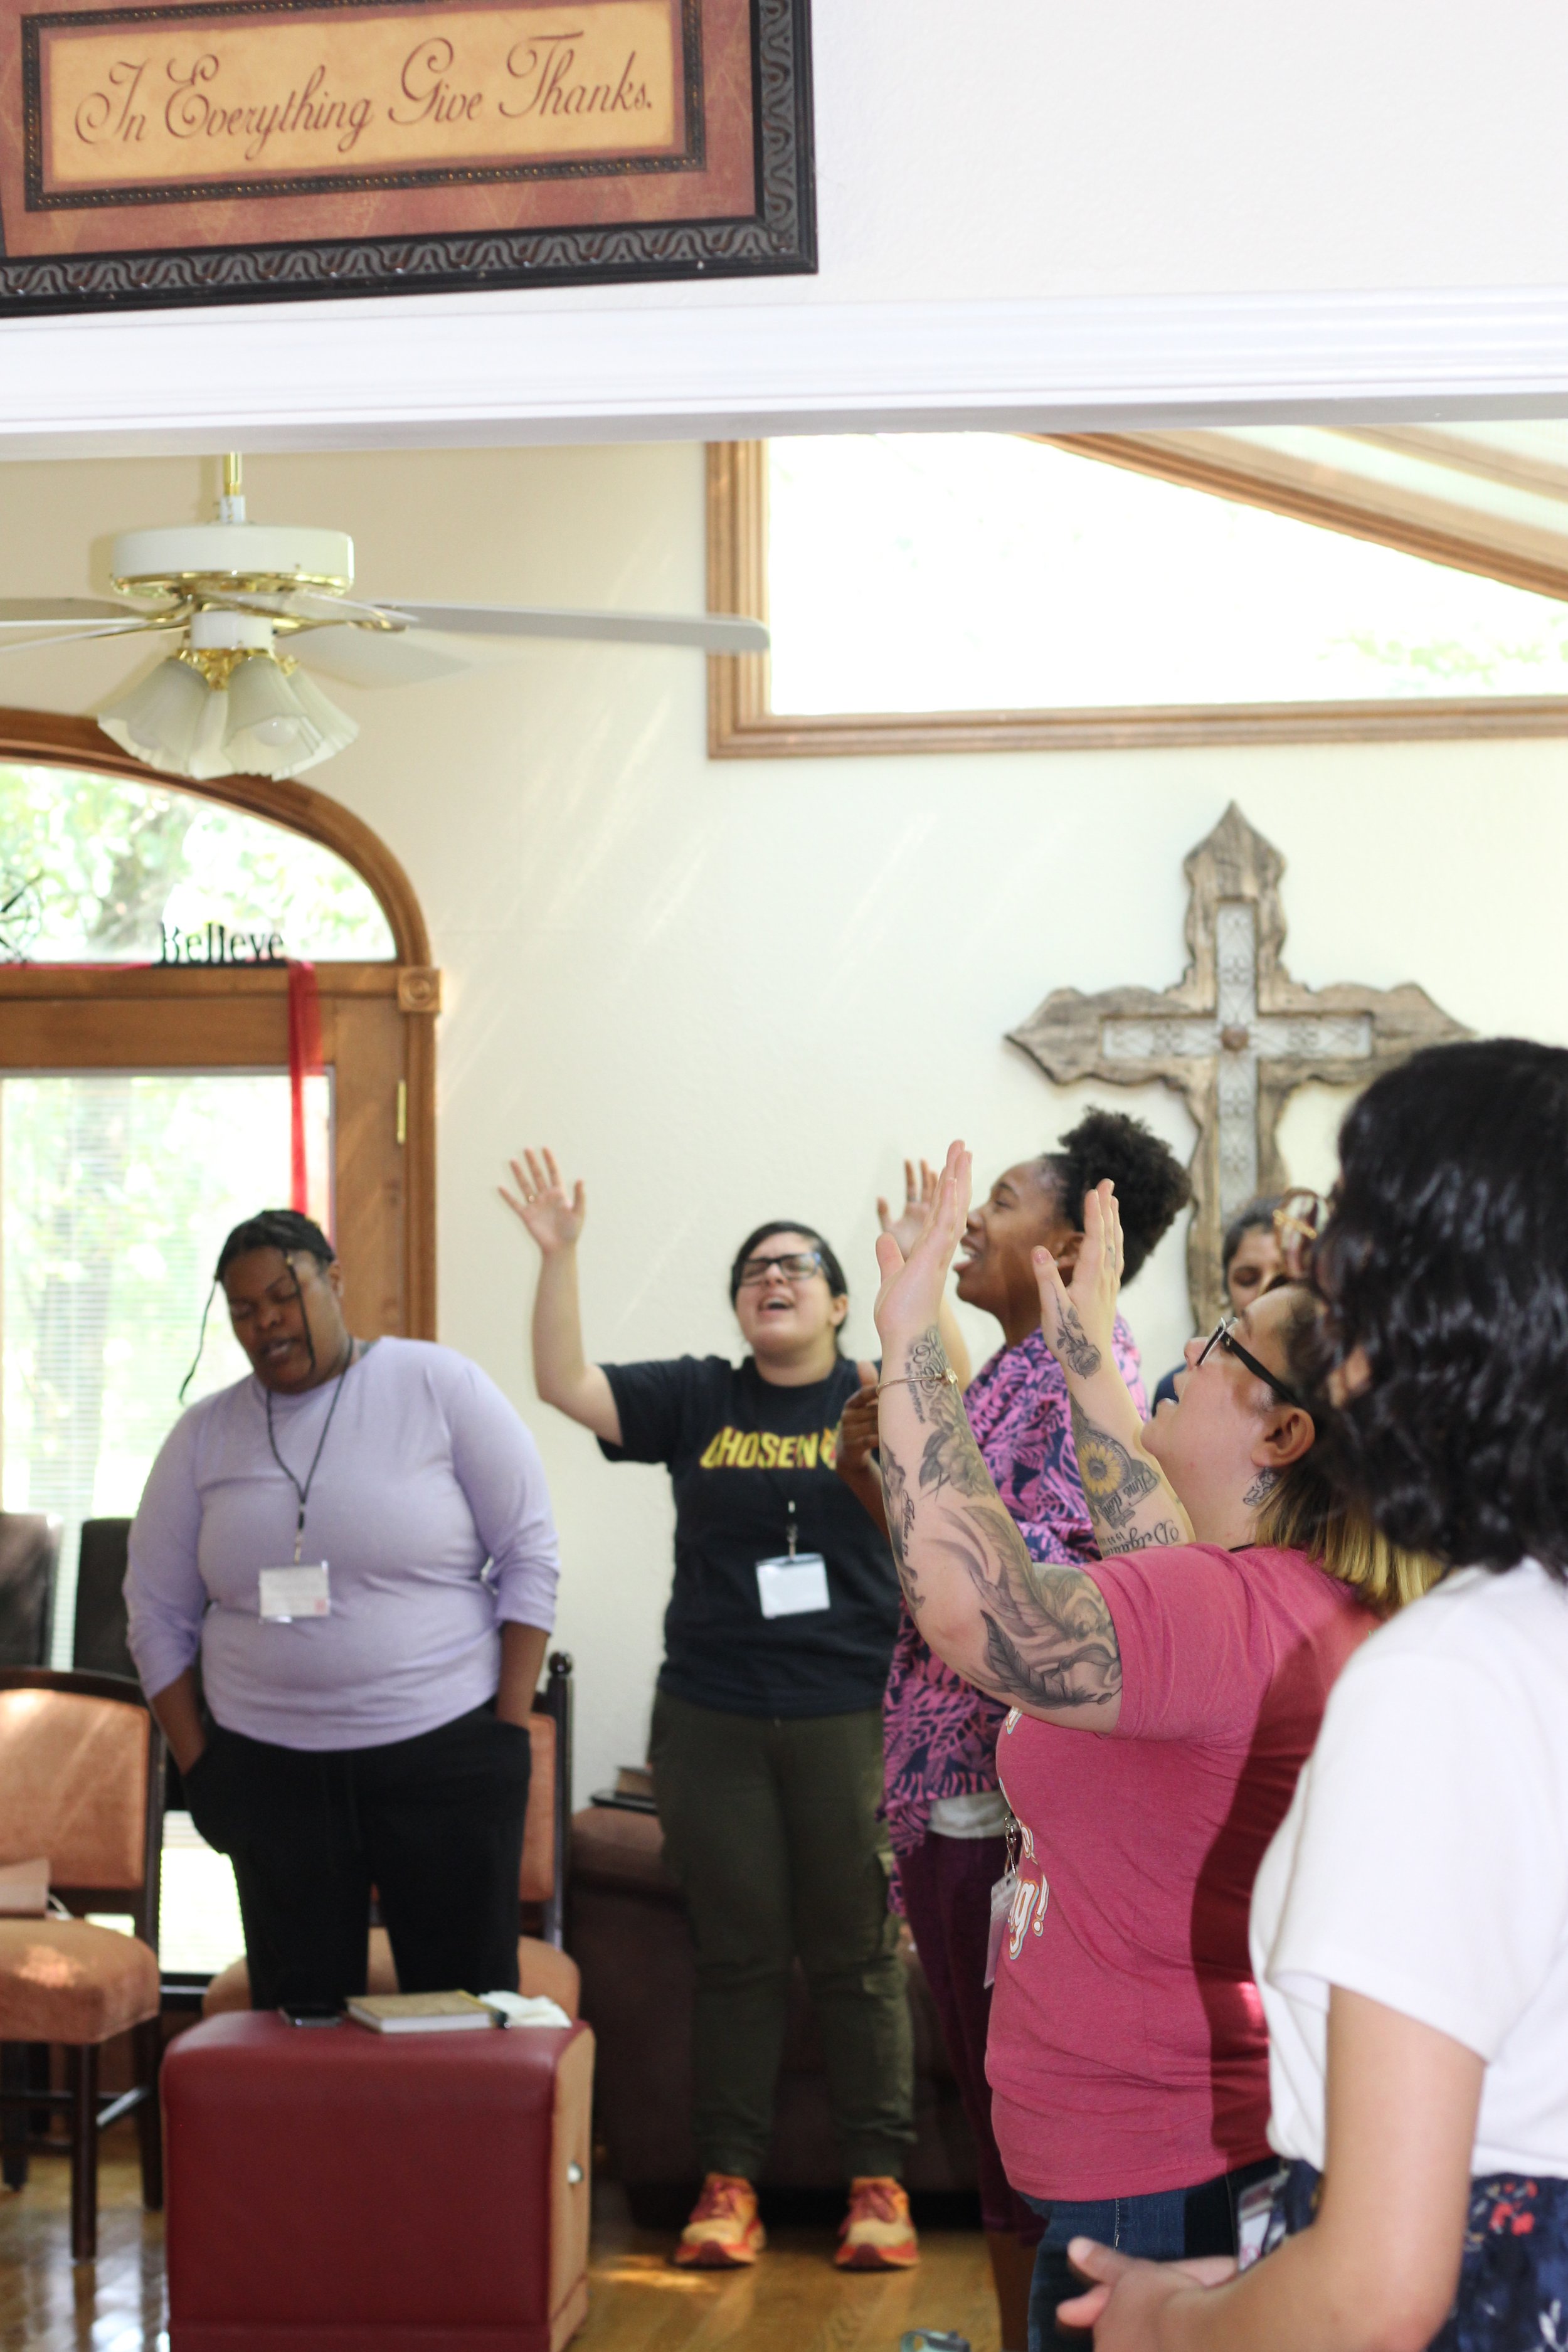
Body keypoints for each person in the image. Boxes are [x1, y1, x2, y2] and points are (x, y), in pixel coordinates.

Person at [871, 1145, 1439, 2352]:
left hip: (1151, 2176)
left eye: (1221, 1344)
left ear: (1284, 1433)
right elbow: (1145, 1522)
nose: (1183, 1351)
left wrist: (913, 1330)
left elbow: (974, 1609)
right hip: (1164, 2155)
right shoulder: (1276, 1593)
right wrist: (1084, 1346)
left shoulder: (1222, 1614)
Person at [1051, 1037, 1568, 2352]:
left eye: (1342, 1238)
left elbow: (1382, 2288)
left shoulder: (1450, 1679)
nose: (1312, 1277)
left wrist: (1166, 2324)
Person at [503, 1149, 916, 2274]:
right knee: (735, 1955)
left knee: (856, 1953)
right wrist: (561, 1255)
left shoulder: (879, 1397)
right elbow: (564, 1382)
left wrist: (915, 1285)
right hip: (713, 1717)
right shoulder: (698, 1395)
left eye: (797, 1266)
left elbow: (957, 1399)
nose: (771, 1279)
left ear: (838, 1300)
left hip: (845, 1714)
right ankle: (726, 2182)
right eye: (752, 1271)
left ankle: (877, 2184)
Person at [838, 1114, 1190, 2351]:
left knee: (1023, 2125)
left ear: (1072, 1235)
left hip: (1002, 1803)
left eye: (1000, 1199)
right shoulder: (1008, 1372)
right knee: (993, 2123)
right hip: (947, 1792)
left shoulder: (1077, 1375)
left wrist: (913, 1478)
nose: (974, 1220)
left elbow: (1040, 1583)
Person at [125, 1209, 559, 2013]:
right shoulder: (202, 1437)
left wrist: (505, 1732)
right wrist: (202, 1764)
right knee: (301, 2025)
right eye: (244, 1311)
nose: (267, 1323)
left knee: (461, 2021)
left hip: (443, 1760)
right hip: (272, 1773)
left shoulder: (437, 1385)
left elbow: (531, 1555)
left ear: (335, 1281)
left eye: (282, 1296)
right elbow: (154, 1615)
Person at [1151, 1196, 1284, 1409]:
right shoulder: (1177, 1391)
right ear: (1226, 1287)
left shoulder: (1334, 1393)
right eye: (1247, 1279)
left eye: (1283, 1280)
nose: (1265, 1292)